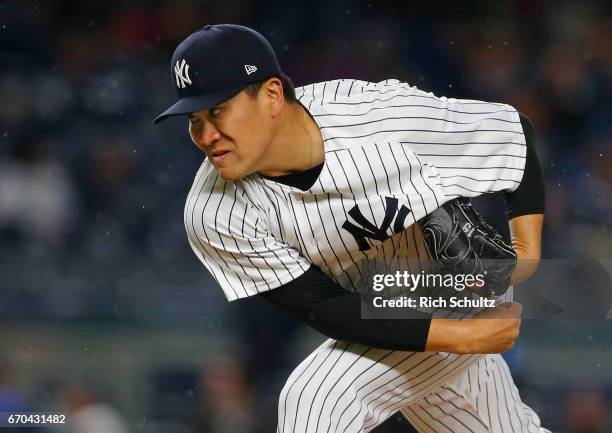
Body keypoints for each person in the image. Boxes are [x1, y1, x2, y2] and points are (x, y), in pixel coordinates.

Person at [155, 24, 548, 433]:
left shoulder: (376, 115)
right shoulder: (213, 212)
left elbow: (512, 133)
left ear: (272, 95)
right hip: (378, 310)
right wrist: (458, 339)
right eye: (193, 119)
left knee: (319, 397)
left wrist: (526, 256)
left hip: (460, 283)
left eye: (217, 111)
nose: (205, 135)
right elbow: (327, 308)